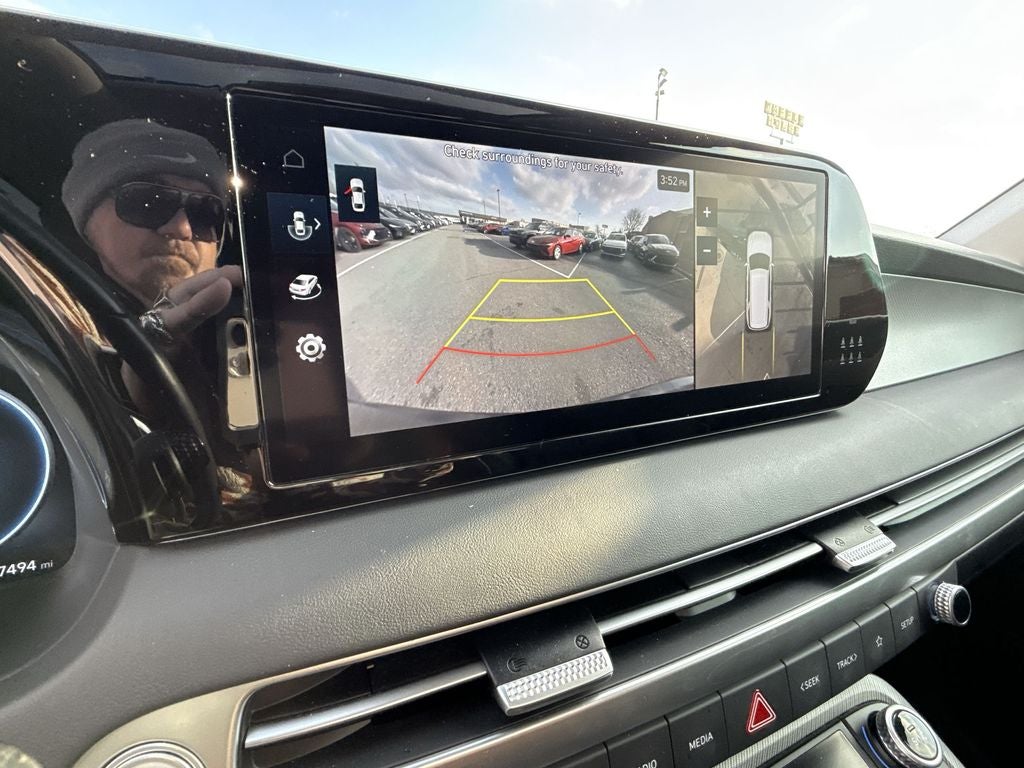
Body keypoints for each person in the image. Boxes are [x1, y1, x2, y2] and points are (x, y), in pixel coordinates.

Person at [61, 119, 240, 347]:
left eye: (204, 214)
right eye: (149, 203)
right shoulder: (42, 328)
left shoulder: (260, 332)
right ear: (87, 224)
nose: (182, 229)